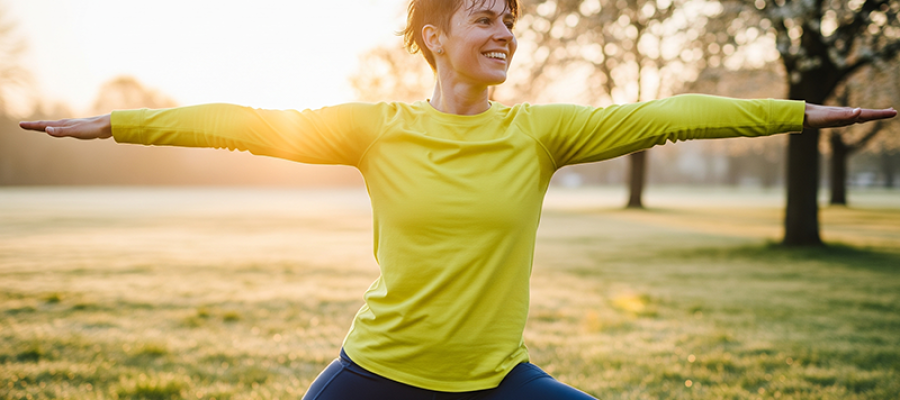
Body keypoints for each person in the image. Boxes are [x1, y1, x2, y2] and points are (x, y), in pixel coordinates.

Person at [19, 0, 896, 399]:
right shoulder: (376, 129)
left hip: (497, 380)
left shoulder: (540, 134)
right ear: (437, 38)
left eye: (512, 17)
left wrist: (806, 113)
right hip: (377, 376)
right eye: (485, 17)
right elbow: (247, 123)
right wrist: (120, 123)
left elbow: (669, 114)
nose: (506, 30)